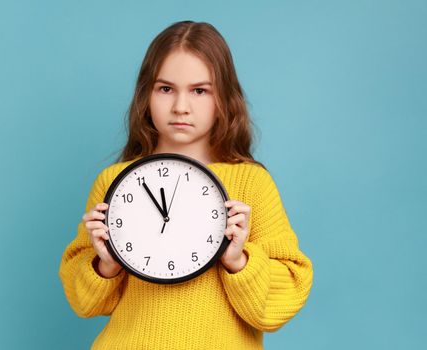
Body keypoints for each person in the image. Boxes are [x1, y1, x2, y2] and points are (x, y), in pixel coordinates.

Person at [59, 20, 313, 349]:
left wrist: (239, 260)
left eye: (199, 90)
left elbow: (284, 298)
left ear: (224, 97)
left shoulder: (251, 183)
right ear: (146, 95)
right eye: (166, 89)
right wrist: (105, 263)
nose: (181, 106)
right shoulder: (114, 182)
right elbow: (85, 302)